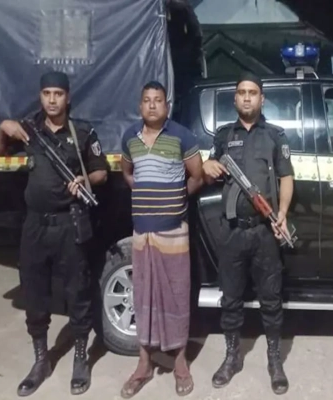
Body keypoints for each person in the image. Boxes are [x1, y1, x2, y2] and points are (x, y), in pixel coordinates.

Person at [0, 71, 108, 397]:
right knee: (34, 293)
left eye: (58, 93)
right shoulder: (28, 130)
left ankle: (80, 359)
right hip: (34, 226)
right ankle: (41, 361)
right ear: (40, 96)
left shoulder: (82, 132)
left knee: (78, 291)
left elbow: (101, 171)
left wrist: (86, 180)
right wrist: (3, 128)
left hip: (69, 223)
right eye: (47, 93)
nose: (53, 99)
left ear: (67, 97)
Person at [202, 72, 294, 395]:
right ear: (235, 98)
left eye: (252, 92)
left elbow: (286, 177)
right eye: (241, 92)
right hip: (232, 232)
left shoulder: (275, 136)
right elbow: (209, 170)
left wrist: (282, 213)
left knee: (271, 299)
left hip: (264, 232)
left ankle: (274, 359)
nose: (246, 97)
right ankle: (232, 356)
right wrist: (207, 167)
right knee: (230, 298)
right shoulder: (224, 136)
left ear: (261, 99)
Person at [119, 81, 203, 398]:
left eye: (158, 100)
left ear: (167, 106)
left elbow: (197, 176)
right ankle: (144, 364)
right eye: (147, 100)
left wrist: (176, 199)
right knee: (144, 297)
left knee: (177, 296)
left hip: (174, 231)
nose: (152, 105)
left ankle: (180, 363)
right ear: (140, 105)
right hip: (143, 231)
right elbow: (128, 174)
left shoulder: (182, 136)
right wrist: (147, 195)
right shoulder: (130, 137)